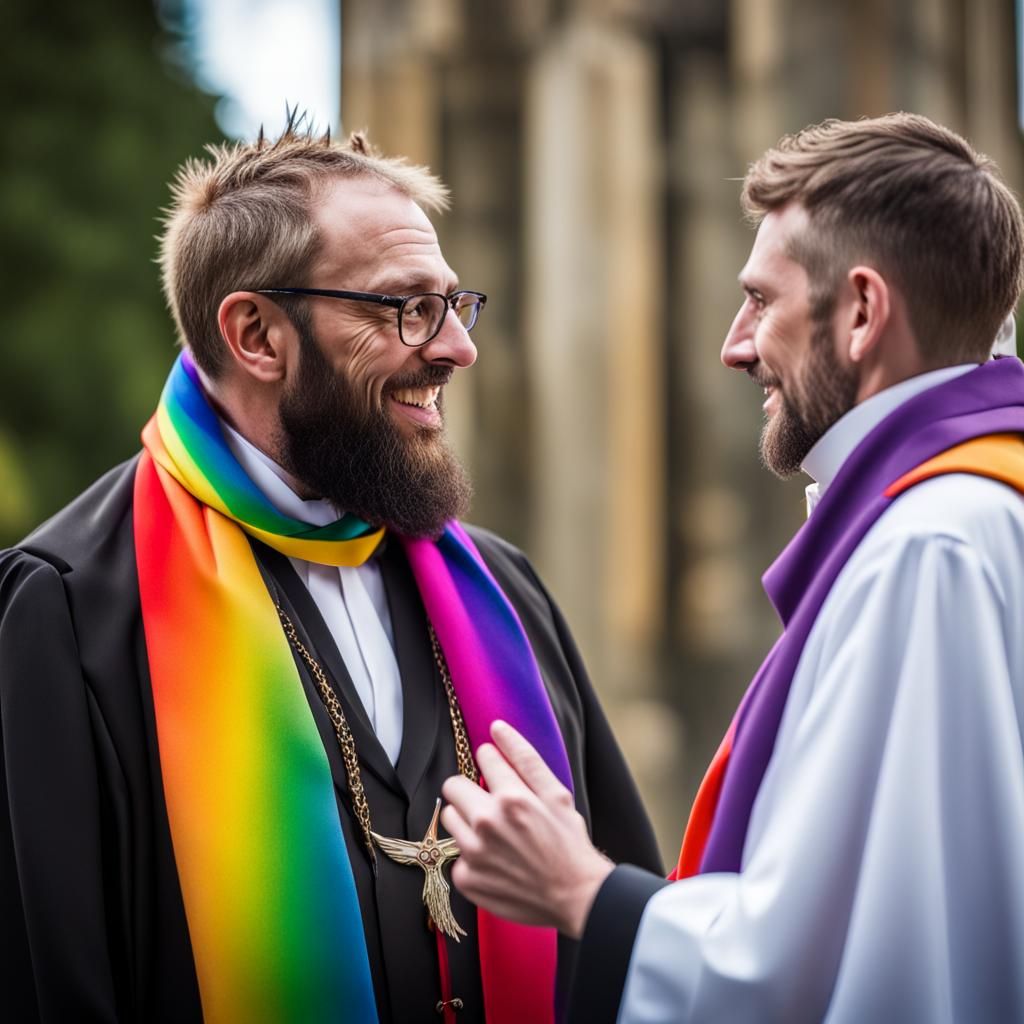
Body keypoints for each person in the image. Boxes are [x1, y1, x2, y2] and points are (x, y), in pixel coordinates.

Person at [0, 119, 662, 1023]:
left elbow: (624, 933)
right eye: (404, 309)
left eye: (452, 304)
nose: (456, 349)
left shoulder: (507, 594)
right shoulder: (68, 614)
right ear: (258, 336)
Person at [442, 112, 1024, 1023]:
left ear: (864, 312)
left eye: (762, 299)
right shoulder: (982, 513)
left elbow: (866, 969)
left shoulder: (931, 548)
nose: (734, 343)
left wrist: (584, 890)